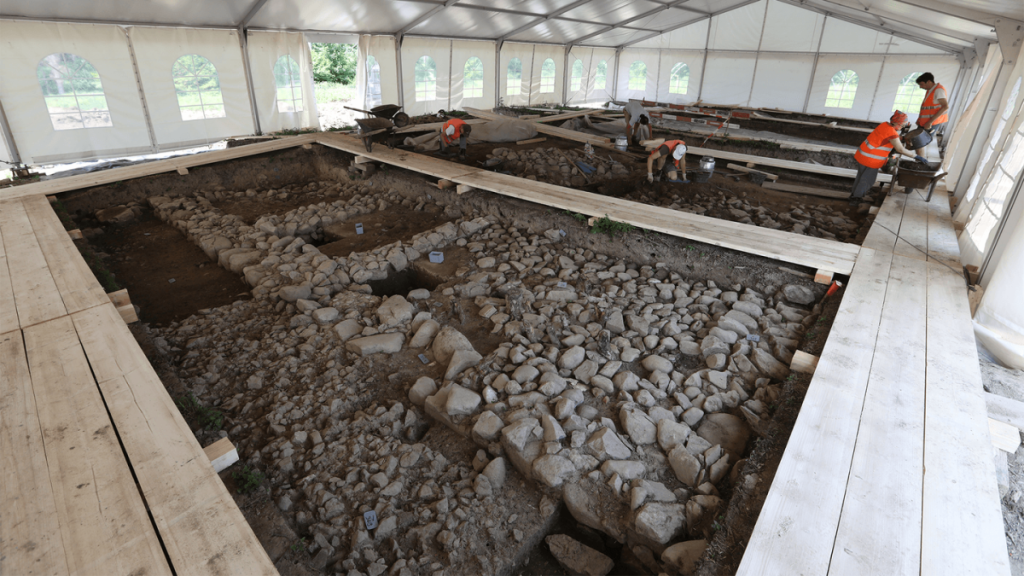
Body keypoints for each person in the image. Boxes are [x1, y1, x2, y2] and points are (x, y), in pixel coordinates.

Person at [850, 110, 925, 205]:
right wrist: (916, 156)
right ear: (897, 123)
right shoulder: (892, 133)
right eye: (902, 125)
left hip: (862, 155)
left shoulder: (884, 125)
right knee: (867, 180)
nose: (903, 127)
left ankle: (853, 195)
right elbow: (900, 149)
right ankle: (856, 199)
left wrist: (900, 138)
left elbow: (886, 137)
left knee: (860, 177)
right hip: (871, 160)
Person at [912, 72, 949, 156]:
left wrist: (930, 122)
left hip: (931, 122)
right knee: (918, 141)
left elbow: (945, 106)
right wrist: (919, 120)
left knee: (920, 141)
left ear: (929, 82)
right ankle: (919, 159)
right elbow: (926, 108)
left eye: (921, 84)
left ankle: (920, 161)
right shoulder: (930, 90)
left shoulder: (938, 90)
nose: (920, 87)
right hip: (925, 121)